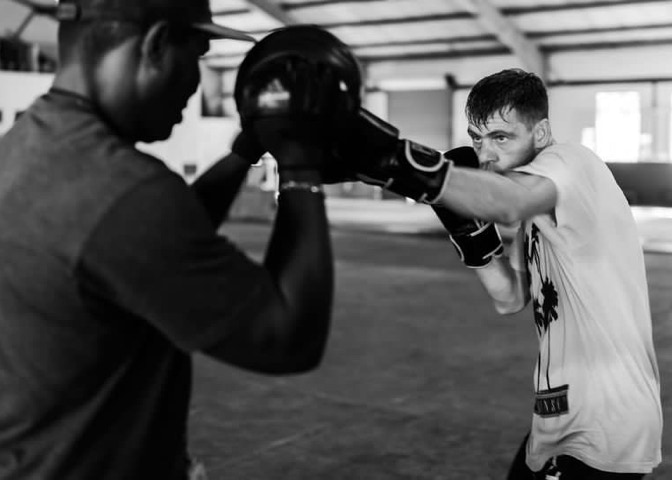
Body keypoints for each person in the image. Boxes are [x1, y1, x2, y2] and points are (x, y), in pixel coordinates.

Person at [0, 1, 354, 478]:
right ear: (156, 45)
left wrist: (248, 147)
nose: (195, 84)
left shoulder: (29, 149)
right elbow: (287, 339)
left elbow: (153, 246)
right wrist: (299, 163)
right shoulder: (124, 191)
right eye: (197, 56)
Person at [339, 69, 662, 479]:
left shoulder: (572, 162)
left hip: (605, 421)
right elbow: (509, 298)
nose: (485, 152)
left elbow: (510, 201)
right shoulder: (535, 220)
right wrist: (466, 230)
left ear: (540, 132)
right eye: (477, 137)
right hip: (558, 418)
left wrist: (411, 169)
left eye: (501, 137)